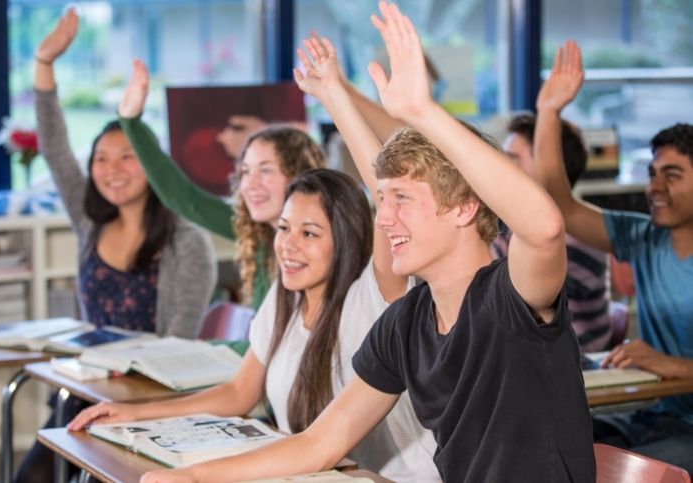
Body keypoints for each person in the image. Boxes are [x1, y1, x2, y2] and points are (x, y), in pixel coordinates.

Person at [130, 3, 595, 482]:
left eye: (402, 202)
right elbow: (318, 443)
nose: (384, 218)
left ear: (464, 208)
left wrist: (422, 112)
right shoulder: (407, 321)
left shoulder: (511, 295)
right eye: (382, 200)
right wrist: (192, 477)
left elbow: (544, 226)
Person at [69, 170, 440, 483]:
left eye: (309, 234)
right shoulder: (286, 293)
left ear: (346, 240)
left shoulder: (371, 296)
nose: (288, 246)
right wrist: (134, 412)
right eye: (283, 228)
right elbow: (238, 393)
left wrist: (334, 93)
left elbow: (379, 182)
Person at [16, 10, 215, 483]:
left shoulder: (187, 242)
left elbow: (177, 348)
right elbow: (55, 147)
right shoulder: (89, 221)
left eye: (129, 156)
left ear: (153, 163)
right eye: (101, 158)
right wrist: (44, 63)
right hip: (84, 392)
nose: (113, 169)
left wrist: (124, 397)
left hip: (150, 406)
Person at [532, 40, 693, 471]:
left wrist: (668, 364)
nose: (653, 188)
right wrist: (549, 112)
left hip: (686, 432)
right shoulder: (642, 236)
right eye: (652, 174)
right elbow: (560, 206)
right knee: (549, 447)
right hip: (651, 415)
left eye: (672, 176)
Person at [118, 60, 326, 309]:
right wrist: (131, 122)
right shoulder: (258, 232)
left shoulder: (320, 249)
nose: (251, 184)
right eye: (246, 172)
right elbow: (185, 200)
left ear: (298, 175)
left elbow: (280, 347)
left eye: (266, 170)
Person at [492, 113, 612, 351]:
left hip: (576, 367)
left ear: (551, 166)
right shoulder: (509, 223)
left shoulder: (578, 238)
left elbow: (513, 305)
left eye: (514, 158)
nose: (502, 167)